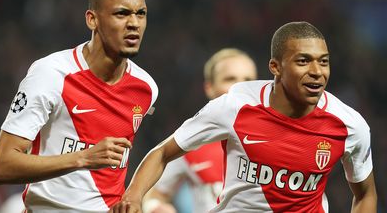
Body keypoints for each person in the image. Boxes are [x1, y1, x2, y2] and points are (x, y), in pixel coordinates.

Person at [111, 21, 377, 213]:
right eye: (303, 61)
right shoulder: (235, 106)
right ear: (275, 67)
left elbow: (365, 194)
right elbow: (162, 152)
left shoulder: (349, 125)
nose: (317, 71)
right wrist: (134, 196)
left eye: (324, 61)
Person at [0, 0, 158, 212]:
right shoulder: (50, 74)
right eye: (121, 13)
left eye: (141, 14)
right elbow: (1, 166)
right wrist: (83, 158)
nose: (134, 23)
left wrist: (134, 197)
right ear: (92, 20)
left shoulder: (146, 88)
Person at [142, 48, 257, 213]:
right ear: (209, 88)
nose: (239, 87)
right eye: (230, 79)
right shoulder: (188, 142)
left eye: (248, 80)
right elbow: (154, 195)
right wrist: (157, 208)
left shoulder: (279, 141)